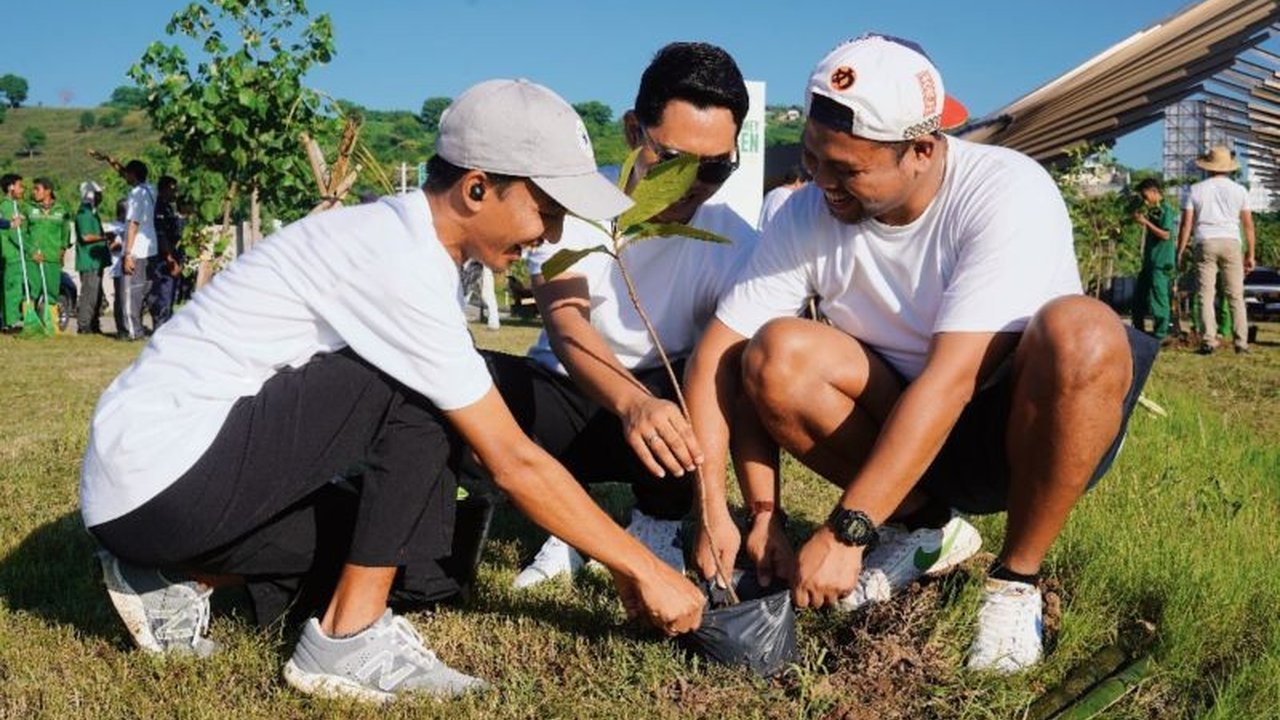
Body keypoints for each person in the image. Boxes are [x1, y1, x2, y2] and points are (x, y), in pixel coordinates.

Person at [80, 79, 704, 703]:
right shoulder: (395, 257)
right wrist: (641, 566)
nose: (552, 232)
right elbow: (510, 460)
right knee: (415, 392)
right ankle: (347, 640)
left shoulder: (408, 246)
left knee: (420, 567)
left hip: (146, 498)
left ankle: (172, 573)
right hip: (162, 474)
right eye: (547, 208)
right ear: (477, 188)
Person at [685, 34, 1157, 673]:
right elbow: (719, 355)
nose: (823, 183)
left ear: (921, 150)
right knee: (775, 353)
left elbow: (952, 381)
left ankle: (1015, 579)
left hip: (1025, 434)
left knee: (1086, 332)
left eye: (847, 170)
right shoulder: (807, 211)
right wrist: (724, 508)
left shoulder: (1004, 192)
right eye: (813, 158)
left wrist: (849, 529)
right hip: (904, 427)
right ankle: (925, 528)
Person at [481, 42, 759, 590]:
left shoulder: (732, 238)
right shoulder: (575, 206)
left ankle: (656, 521)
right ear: (635, 133)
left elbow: (735, 366)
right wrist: (633, 403)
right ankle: (568, 521)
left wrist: (718, 509)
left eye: (715, 169)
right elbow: (566, 323)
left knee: (701, 375)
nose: (689, 187)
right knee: (474, 379)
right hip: (570, 398)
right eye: (674, 163)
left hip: (670, 415)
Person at [1176, 145, 1254, 354]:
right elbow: (1247, 224)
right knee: (1236, 295)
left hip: (1205, 242)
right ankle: (1241, 343)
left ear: (1208, 167)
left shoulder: (1196, 189)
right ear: (1229, 168)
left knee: (1205, 294)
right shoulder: (1240, 190)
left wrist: (1181, 249)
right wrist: (1251, 254)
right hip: (1231, 242)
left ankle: (1209, 341)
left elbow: (1186, 224)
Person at [1130, 178, 1178, 345]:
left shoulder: (1166, 210)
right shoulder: (1152, 211)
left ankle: (1160, 333)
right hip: (1149, 262)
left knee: (1159, 298)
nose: (1144, 200)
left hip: (1160, 262)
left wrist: (1145, 223)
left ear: (1154, 192)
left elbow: (1166, 235)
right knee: (1139, 297)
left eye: (1145, 196)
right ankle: (1138, 329)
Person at [26, 178, 71, 323]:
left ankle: (50, 324)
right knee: (32, 291)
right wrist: (32, 252)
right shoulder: (28, 209)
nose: (34, 192)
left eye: (37, 189)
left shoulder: (62, 210)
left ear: (48, 191)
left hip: (52, 258)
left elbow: (65, 233)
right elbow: (24, 234)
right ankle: (30, 324)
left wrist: (62, 251)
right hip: (33, 258)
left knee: (52, 292)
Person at [145, 175, 183, 327]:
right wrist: (170, 259)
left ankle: (166, 326)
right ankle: (160, 328)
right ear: (164, 189)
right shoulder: (159, 207)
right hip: (163, 261)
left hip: (170, 257)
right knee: (163, 296)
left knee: (170, 296)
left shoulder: (167, 207)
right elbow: (160, 236)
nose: (175, 194)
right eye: (173, 190)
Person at [75, 182, 111, 334]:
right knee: (89, 295)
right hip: (89, 261)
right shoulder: (84, 213)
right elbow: (85, 236)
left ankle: (94, 324)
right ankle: (84, 325)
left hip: (96, 261)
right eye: (97, 193)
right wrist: (103, 237)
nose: (100, 196)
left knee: (96, 294)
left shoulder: (92, 212)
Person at [0, 174, 29, 333]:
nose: (22, 189)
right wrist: (29, 249)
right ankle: (9, 323)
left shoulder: (13, 205)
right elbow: (12, 233)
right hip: (11, 255)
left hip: (14, 255)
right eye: (20, 186)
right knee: (12, 290)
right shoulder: (7, 206)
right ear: (11, 187)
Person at [758, 164, 810, 230]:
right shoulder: (789, 197)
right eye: (805, 185)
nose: (806, 189)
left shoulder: (771, 193)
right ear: (798, 181)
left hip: (761, 237)